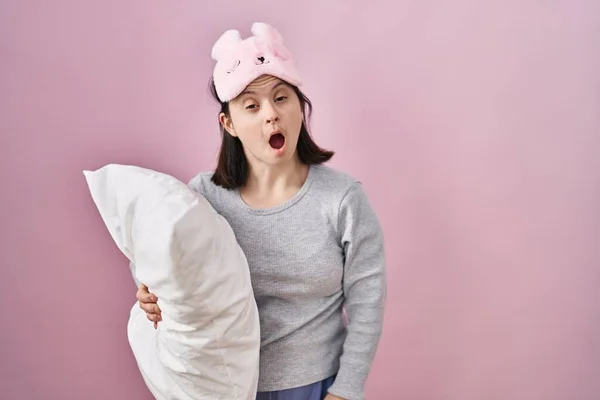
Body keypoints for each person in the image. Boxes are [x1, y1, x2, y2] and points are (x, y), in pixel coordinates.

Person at [135, 22, 386, 400]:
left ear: (300, 107)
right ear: (229, 123)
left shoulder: (343, 199)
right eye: (251, 106)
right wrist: (151, 297)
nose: (271, 114)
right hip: (223, 387)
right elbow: (167, 273)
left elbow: (368, 304)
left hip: (315, 388)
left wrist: (346, 390)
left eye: (281, 98)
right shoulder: (202, 197)